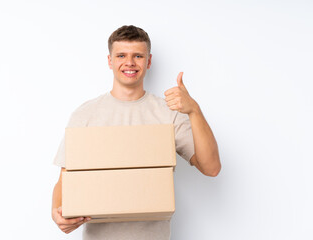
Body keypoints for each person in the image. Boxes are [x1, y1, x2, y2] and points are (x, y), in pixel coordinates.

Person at [51, 25, 221, 240]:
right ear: (110, 61)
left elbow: (211, 168)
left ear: (148, 62)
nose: (129, 62)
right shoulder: (85, 114)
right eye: (121, 55)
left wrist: (194, 111)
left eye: (138, 56)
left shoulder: (168, 113)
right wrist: (57, 211)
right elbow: (65, 178)